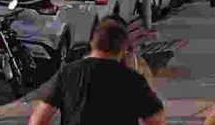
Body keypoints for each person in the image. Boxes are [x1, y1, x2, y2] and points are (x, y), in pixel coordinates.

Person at [29, 18, 165, 125]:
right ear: (123, 48)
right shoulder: (132, 79)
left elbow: (38, 120)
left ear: (92, 43)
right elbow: (156, 120)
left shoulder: (68, 73)